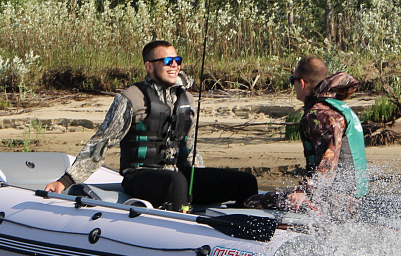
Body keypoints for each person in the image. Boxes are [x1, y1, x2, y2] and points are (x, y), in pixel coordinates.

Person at [44, 40, 258, 211]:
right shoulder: (131, 99)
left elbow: (189, 147)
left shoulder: (187, 100)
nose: (174, 65)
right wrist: (65, 181)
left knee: (245, 182)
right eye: (167, 61)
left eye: (177, 59)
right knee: (177, 182)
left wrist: (200, 178)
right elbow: (102, 142)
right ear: (149, 66)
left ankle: (243, 234)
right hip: (140, 177)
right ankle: (177, 233)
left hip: (179, 174)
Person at [247, 56, 368, 213]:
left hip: (338, 201)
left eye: (292, 80)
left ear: (302, 83)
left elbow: (328, 163)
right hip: (354, 198)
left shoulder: (320, 113)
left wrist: (302, 194)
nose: (293, 85)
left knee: (252, 201)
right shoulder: (338, 107)